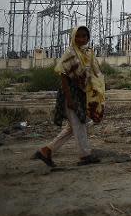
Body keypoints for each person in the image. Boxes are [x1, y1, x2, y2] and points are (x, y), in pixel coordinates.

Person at [35, 26, 105, 167]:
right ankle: (85, 155)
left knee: (74, 126)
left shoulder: (88, 52)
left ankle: (47, 150)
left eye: (84, 36)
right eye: (78, 36)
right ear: (73, 37)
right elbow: (63, 76)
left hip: (82, 94)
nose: (81, 39)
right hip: (70, 93)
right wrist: (69, 99)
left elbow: (94, 73)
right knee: (79, 124)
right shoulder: (70, 53)